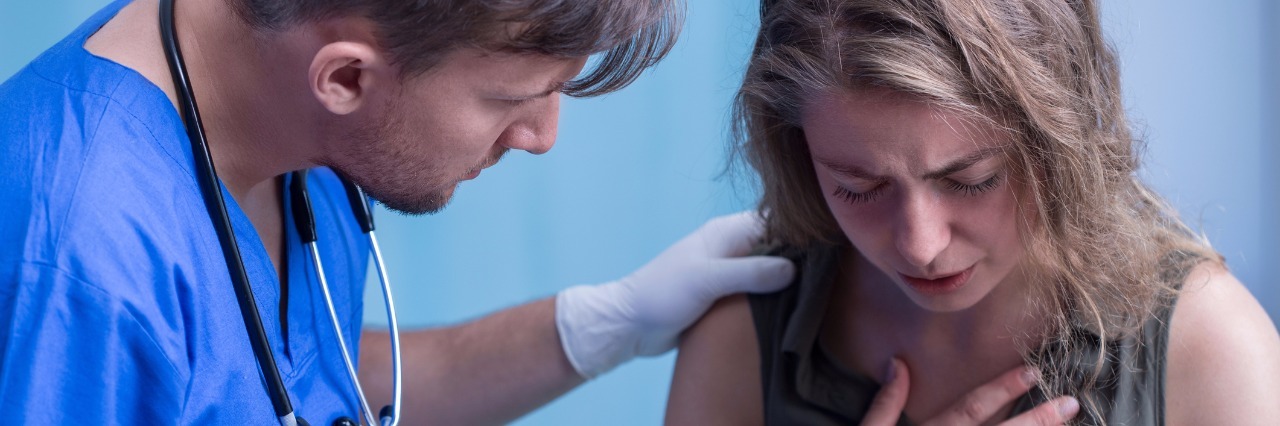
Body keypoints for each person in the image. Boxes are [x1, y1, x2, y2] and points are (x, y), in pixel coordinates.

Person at [0, 0, 804, 423]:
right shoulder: (80, 265)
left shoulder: (258, 84)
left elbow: (300, 380)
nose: (541, 136)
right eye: (513, 99)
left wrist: (597, 328)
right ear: (345, 79)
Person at [666, 0, 1280, 425]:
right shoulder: (741, 331)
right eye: (858, 187)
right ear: (797, 151)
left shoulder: (1208, 345)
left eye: (970, 180)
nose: (920, 244)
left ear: (1059, 141)